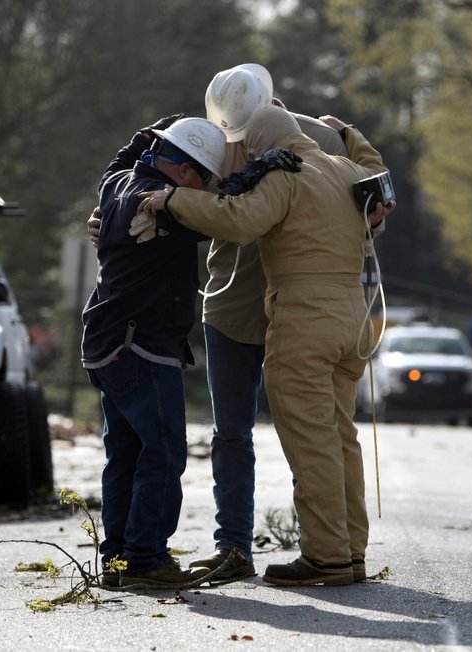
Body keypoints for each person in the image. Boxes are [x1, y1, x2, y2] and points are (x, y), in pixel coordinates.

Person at [87, 64, 394, 584]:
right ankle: (245, 548)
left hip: (294, 306)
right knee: (244, 434)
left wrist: (347, 141)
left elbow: (368, 203)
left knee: (312, 434)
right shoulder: (209, 135)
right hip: (240, 306)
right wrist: (114, 218)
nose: (237, 141)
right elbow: (149, 180)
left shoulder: (305, 142)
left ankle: (330, 553)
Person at [81, 116, 228, 589]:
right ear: (184, 173)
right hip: (140, 344)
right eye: (203, 177)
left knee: (125, 455)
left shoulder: (117, 183)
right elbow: (227, 210)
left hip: (108, 343)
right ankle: (146, 560)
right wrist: (262, 168)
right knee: (163, 455)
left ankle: (118, 563)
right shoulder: (162, 206)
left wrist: (155, 130)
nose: (205, 187)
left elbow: (119, 160)